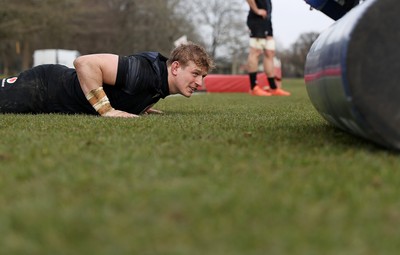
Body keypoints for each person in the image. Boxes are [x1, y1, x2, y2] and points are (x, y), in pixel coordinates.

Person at [0, 42, 214, 117]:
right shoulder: (142, 71)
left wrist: (139, 105)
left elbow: (128, 90)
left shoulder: (158, 84)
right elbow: (85, 63)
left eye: (202, 76)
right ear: (175, 67)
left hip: (51, 99)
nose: (199, 83)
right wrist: (106, 109)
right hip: (43, 87)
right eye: (195, 74)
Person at [246, 0, 290, 96]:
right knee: (256, 52)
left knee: (270, 52)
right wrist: (256, 10)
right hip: (256, 20)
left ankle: (273, 88)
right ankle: (254, 87)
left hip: (267, 21)